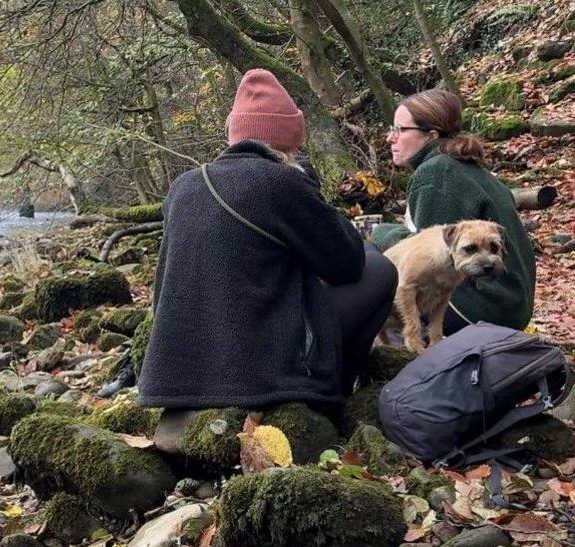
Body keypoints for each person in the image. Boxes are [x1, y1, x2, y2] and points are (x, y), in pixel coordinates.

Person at [136, 69, 397, 411]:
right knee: (378, 267)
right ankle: (334, 392)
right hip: (259, 378)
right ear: (290, 140)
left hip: (173, 379)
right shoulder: (281, 183)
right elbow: (346, 263)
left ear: (234, 135)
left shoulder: (184, 186)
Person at [371, 89, 536, 333]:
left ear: (431, 135)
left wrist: (381, 233)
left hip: (483, 310)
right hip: (511, 306)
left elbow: (431, 261)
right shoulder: (465, 167)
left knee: (370, 262)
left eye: (399, 130)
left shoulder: (435, 174)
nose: (389, 138)